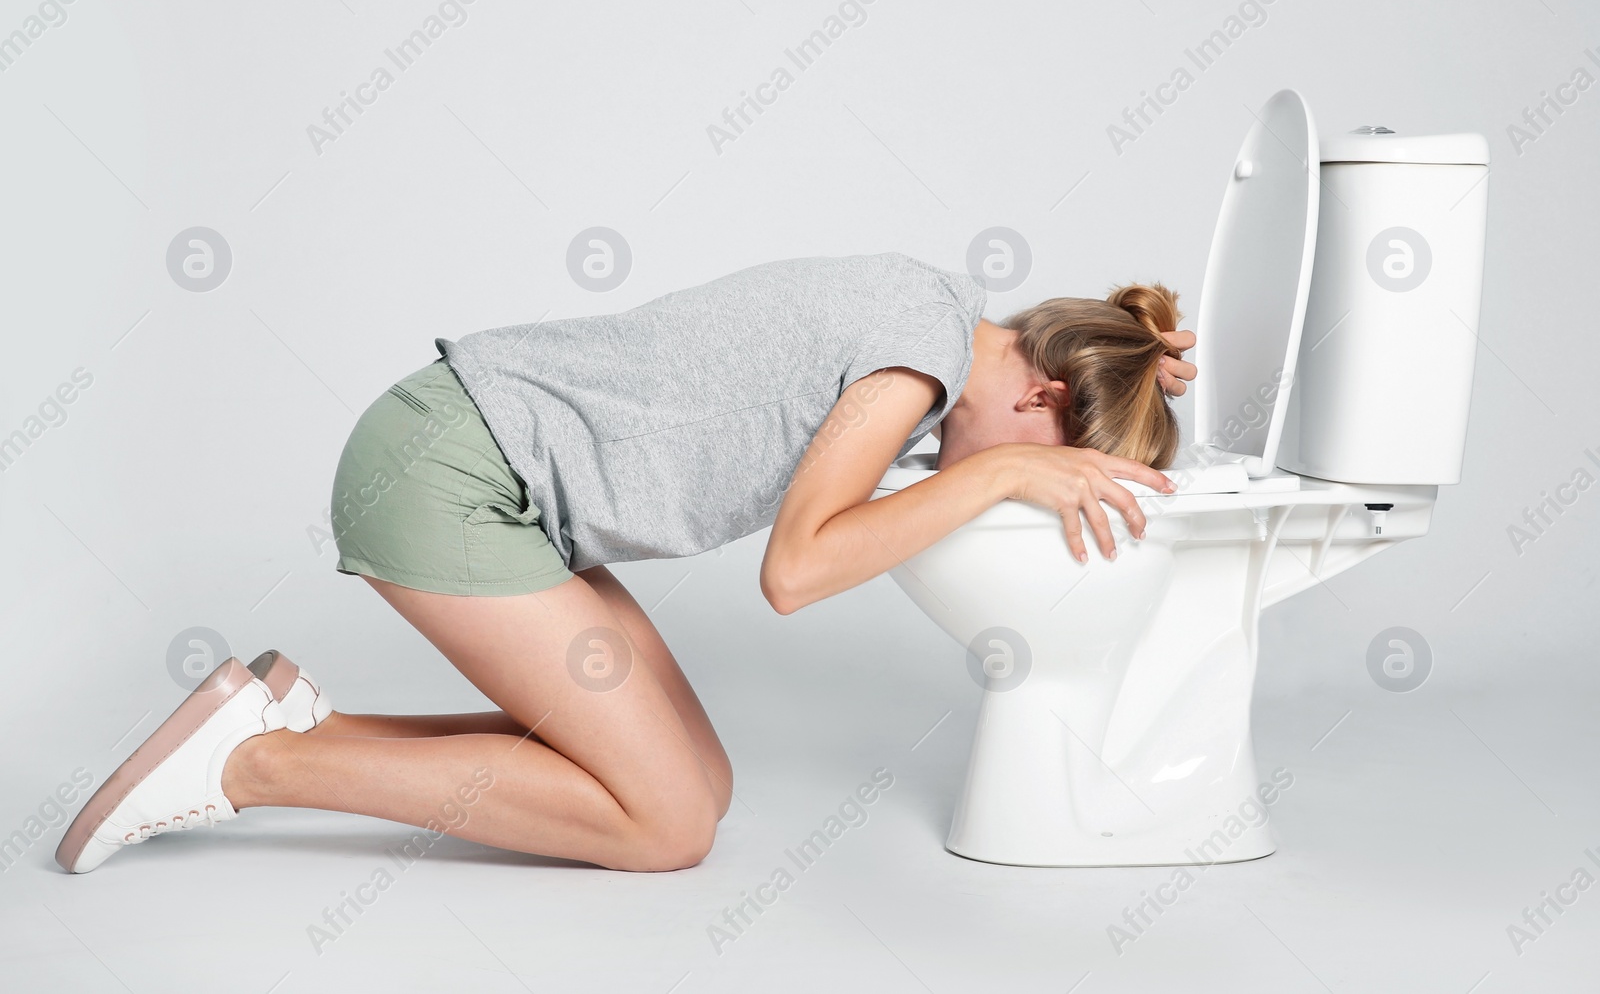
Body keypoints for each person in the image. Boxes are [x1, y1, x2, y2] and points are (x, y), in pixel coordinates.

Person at [57, 252, 1196, 874]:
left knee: (701, 785)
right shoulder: (916, 355)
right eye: (1058, 474)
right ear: (1042, 396)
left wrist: (1108, 392)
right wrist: (997, 478)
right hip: (447, 469)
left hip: (506, 483)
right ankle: (258, 767)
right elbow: (795, 572)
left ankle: (296, 722)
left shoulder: (930, 324)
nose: (1035, 494)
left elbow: (850, 515)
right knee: (663, 827)